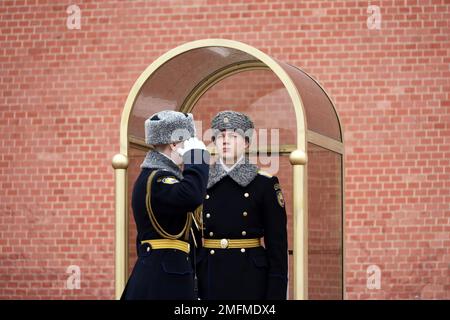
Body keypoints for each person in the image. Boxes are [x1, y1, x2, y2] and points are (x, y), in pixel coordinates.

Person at [197, 110, 288, 300]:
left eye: (233, 136)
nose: (225, 141)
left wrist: (275, 295)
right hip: (210, 275)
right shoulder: (202, 182)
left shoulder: (264, 183)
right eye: (220, 136)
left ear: (246, 143)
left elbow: (276, 247)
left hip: (251, 278)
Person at [121, 110, 209, 300]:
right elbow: (192, 196)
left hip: (170, 274)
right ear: (175, 144)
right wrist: (197, 158)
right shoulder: (157, 178)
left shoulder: (161, 177)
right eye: (188, 141)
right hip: (162, 279)